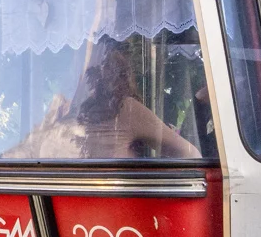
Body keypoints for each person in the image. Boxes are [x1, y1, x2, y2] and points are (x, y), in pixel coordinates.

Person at [12, 40, 200, 164]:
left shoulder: (125, 108)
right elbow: (28, 151)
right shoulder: (61, 107)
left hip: (111, 218)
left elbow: (189, 155)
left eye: (83, 61)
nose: (75, 69)